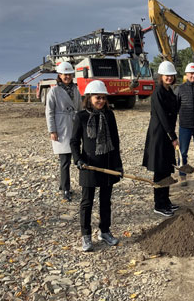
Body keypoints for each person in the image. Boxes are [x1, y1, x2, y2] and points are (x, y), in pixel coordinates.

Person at [70, 80, 123, 252]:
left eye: (103, 98)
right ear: (89, 98)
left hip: (107, 165)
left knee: (105, 201)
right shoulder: (81, 117)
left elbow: (115, 141)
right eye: (97, 98)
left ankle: (105, 231)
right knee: (86, 202)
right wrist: (78, 160)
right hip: (89, 166)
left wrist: (118, 165)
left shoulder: (109, 115)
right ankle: (86, 235)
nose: (100, 101)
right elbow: (74, 141)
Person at [142, 61, 180, 217]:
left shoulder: (169, 91)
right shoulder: (158, 92)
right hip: (159, 135)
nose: (169, 78)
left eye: (171, 75)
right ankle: (159, 204)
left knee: (167, 169)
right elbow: (163, 117)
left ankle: (166, 201)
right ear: (161, 76)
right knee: (160, 170)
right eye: (166, 75)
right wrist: (173, 136)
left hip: (167, 135)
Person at [45, 62, 82, 202]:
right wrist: (52, 130)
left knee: (77, 156)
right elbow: (49, 112)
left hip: (74, 126)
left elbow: (79, 108)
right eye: (64, 74)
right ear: (59, 75)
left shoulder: (76, 89)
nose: (67, 76)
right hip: (61, 127)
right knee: (65, 160)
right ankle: (66, 188)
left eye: (69, 74)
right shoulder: (54, 91)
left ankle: (66, 185)